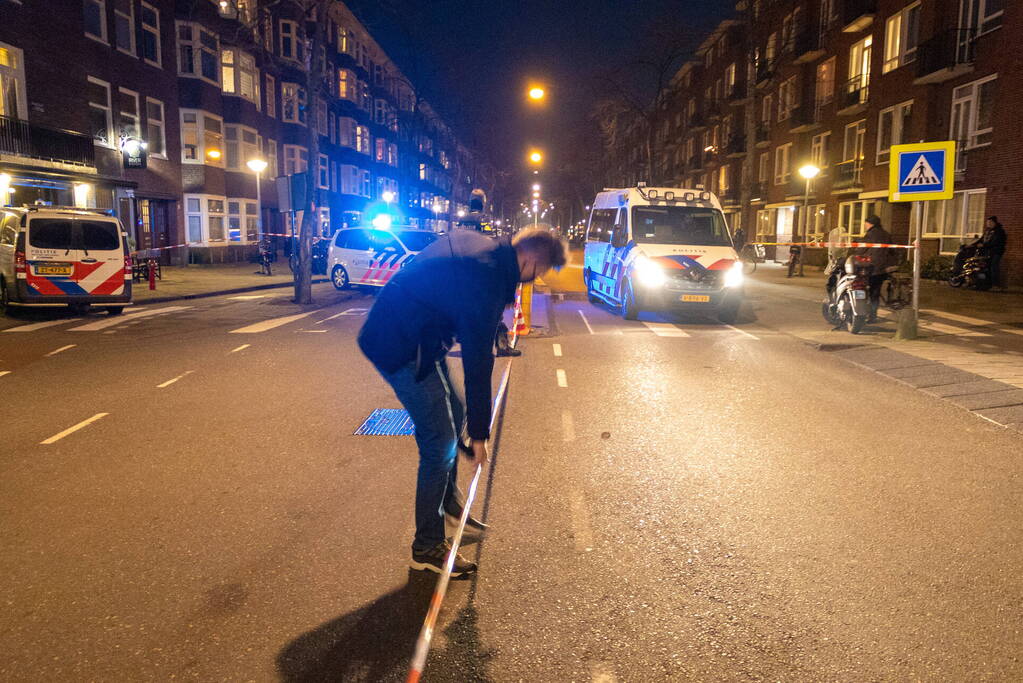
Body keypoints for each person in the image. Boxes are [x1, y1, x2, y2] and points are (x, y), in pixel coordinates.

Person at [358, 228, 567, 576]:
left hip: (419, 334)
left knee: (455, 413)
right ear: (529, 260)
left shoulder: (490, 255)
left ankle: (450, 503)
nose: (535, 280)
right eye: (539, 272)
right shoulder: (485, 279)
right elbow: (477, 361)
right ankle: (426, 546)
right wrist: (480, 435)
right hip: (398, 343)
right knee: (439, 441)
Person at [857, 214, 893, 323]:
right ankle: (873, 315)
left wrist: (854, 254)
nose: (864, 225)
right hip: (882, 268)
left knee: (864, 289)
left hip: (870, 267)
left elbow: (862, 249)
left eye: (865, 223)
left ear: (870, 224)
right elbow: (892, 250)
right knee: (875, 292)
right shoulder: (886, 234)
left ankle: (865, 313)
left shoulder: (870, 234)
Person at [980, 216, 1007, 290]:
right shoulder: (987, 231)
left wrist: (984, 245)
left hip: (996, 252)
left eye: (990, 222)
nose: (988, 224)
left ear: (994, 222)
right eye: (987, 223)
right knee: (987, 267)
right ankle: (988, 284)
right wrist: (970, 245)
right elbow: (981, 240)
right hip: (988, 252)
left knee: (994, 267)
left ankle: (996, 285)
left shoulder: (999, 231)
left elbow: (996, 242)